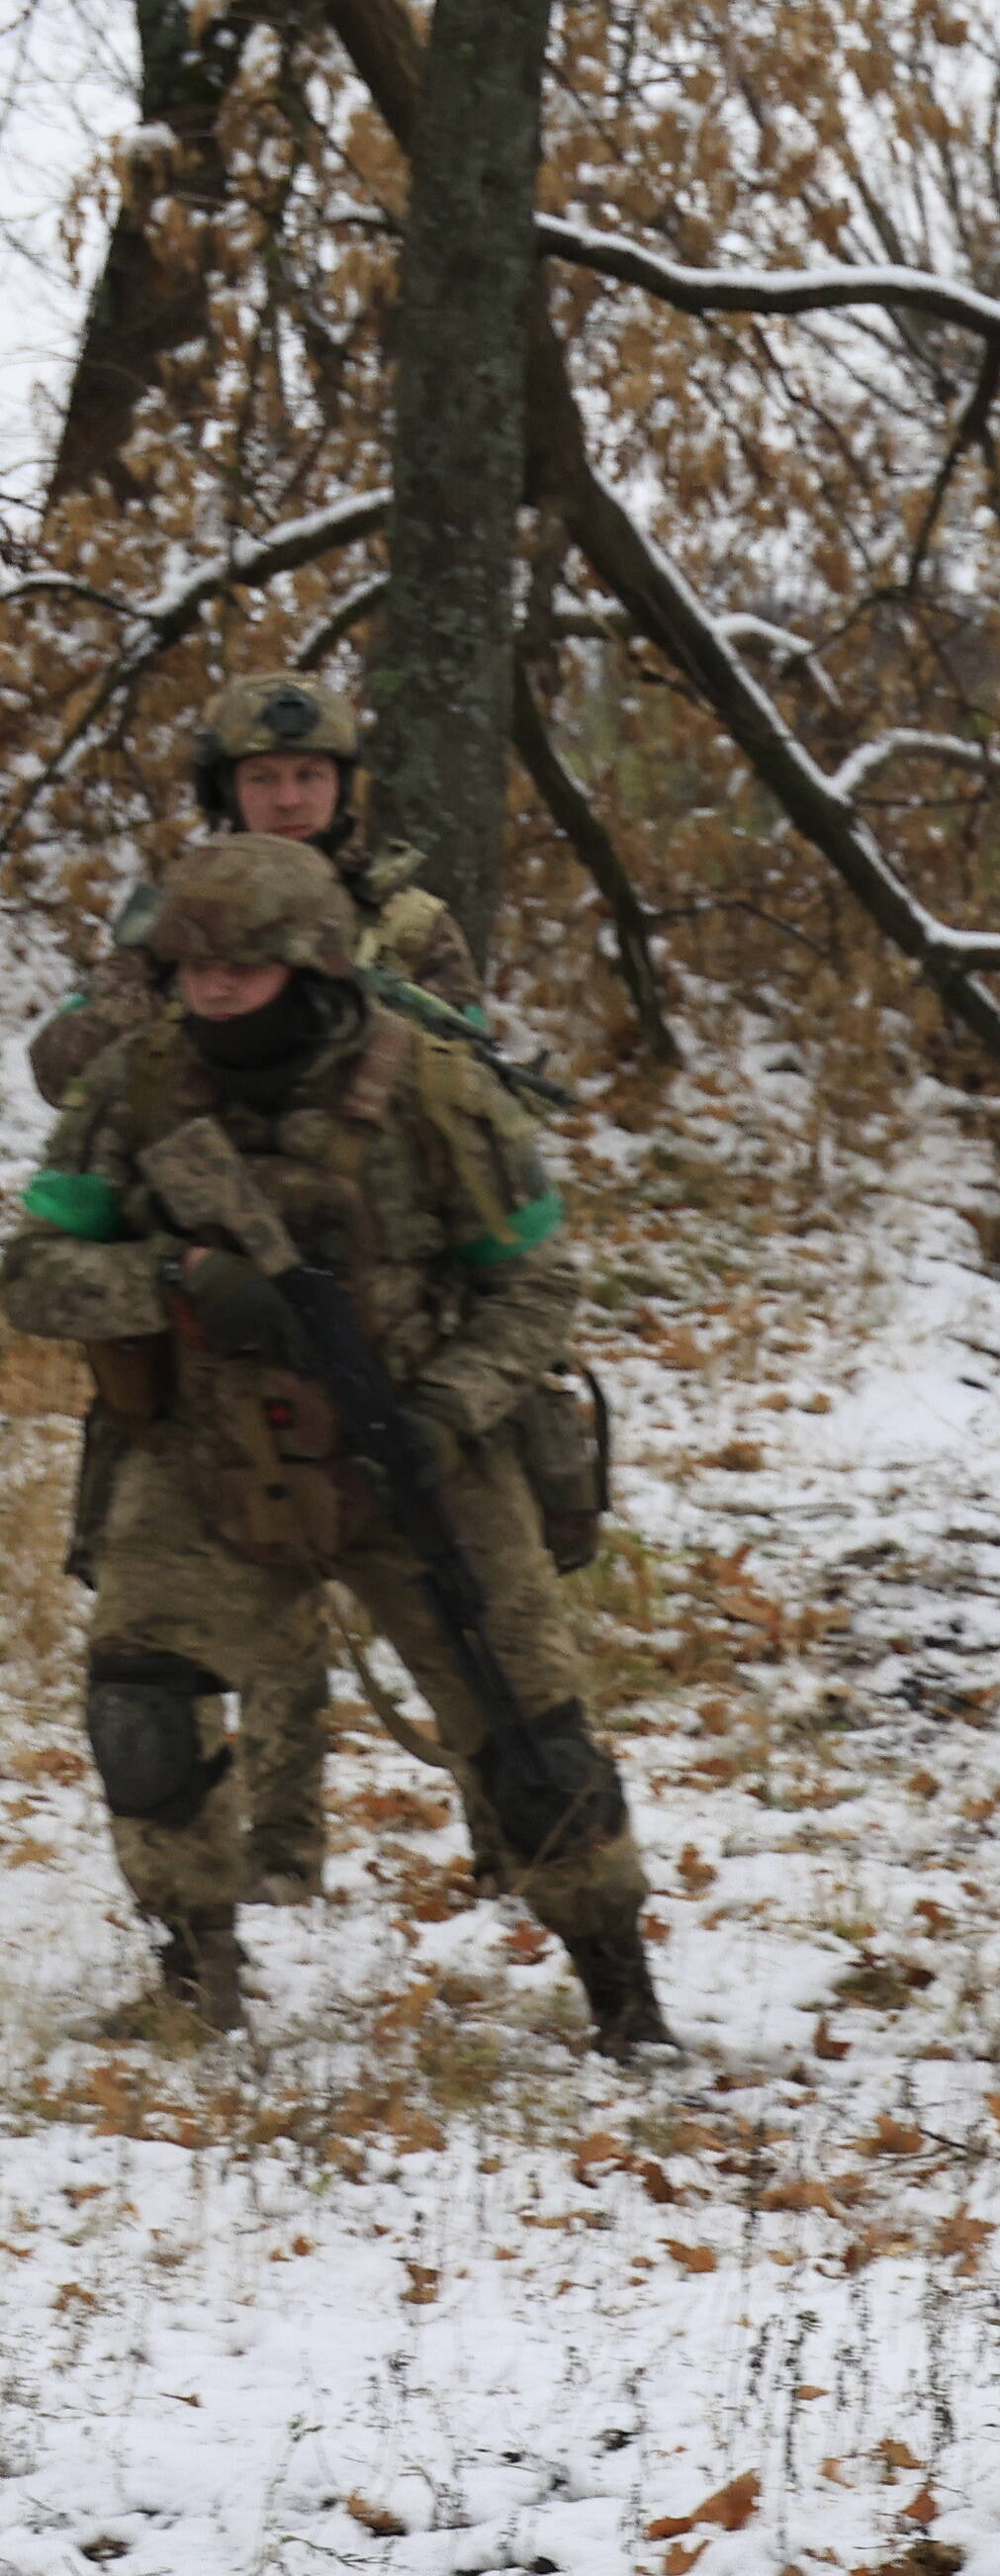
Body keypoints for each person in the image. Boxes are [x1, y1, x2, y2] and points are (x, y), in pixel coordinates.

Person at [6, 835, 668, 2053]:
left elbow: (534, 1289)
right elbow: (34, 1271)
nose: (209, 987)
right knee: (142, 1705)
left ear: (310, 963)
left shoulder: (433, 1090)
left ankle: (620, 1990)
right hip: (207, 1446)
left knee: (529, 1726)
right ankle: (193, 1973)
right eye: (190, 966)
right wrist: (174, 1276)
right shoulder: (136, 1089)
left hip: (422, 1444)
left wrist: (443, 1409)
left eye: (239, 966)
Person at [28, 674, 495, 1909]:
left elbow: (470, 1082)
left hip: (384, 1287)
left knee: (468, 1594)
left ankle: (521, 1833)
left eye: (309, 779)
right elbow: (67, 1064)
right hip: (212, 1304)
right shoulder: (174, 915)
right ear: (225, 791)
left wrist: (365, 1004)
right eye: (263, 781)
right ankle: (275, 1854)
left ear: (344, 789)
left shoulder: (410, 919)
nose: (288, 799)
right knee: (238, 1598)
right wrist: (180, 975)